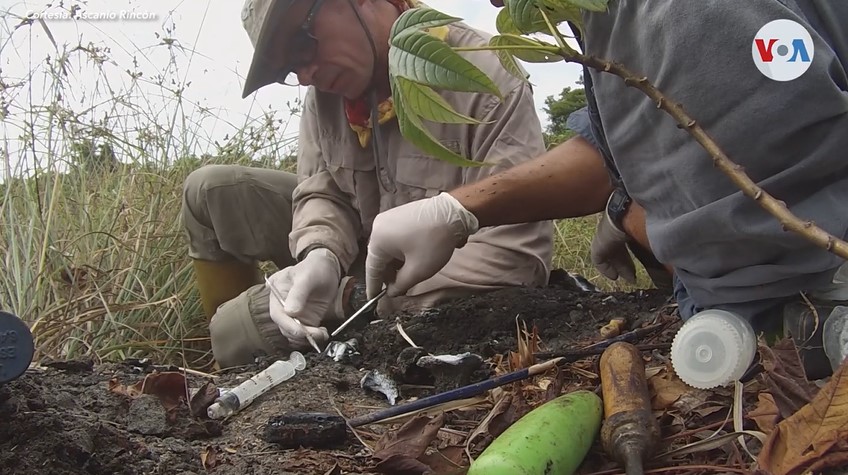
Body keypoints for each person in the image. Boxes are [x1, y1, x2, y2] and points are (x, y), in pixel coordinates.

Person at [364, 0, 848, 377]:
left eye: (304, 43)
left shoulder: (672, 17)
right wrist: (458, 209)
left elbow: (767, 251)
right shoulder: (614, 25)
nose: (497, 6)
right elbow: (614, 144)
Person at [181, 0, 555, 367]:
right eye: (290, 68)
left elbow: (514, 255)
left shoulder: (484, 73)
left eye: (301, 44)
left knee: (234, 332)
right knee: (209, 189)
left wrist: (353, 297)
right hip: (357, 251)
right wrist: (320, 253)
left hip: (429, 276)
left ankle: (249, 357)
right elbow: (322, 190)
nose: (306, 75)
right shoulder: (326, 95)